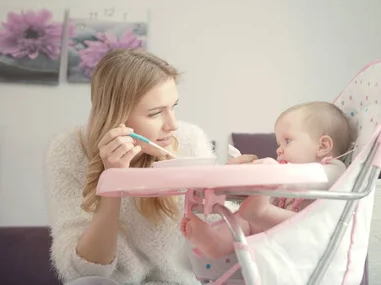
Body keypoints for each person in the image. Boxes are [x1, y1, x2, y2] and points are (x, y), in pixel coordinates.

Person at [44, 49, 256, 285]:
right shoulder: (68, 150)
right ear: (117, 117)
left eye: (173, 106)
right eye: (155, 113)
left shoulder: (188, 140)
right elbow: (82, 271)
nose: (172, 125)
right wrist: (113, 181)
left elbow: (215, 237)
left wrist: (228, 187)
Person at [180, 101, 356, 259]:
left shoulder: (335, 169)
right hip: (281, 236)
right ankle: (218, 242)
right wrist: (248, 175)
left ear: (322, 146)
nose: (279, 150)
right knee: (245, 216)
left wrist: (275, 173)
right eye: (278, 144)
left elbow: (311, 178)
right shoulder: (288, 177)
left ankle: (260, 212)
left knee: (257, 211)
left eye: (287, 141)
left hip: (311, 237)